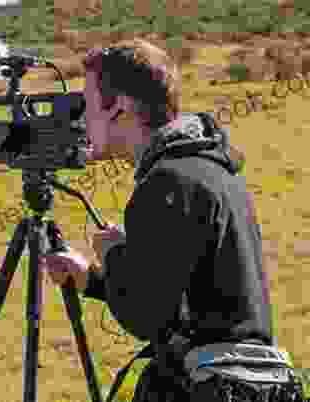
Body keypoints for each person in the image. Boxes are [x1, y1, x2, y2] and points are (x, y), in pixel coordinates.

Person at [40, 39, 305, 402]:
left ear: (119, 106)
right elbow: (184, 300)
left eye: (85, 104)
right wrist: (93, 280)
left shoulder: (168, 181)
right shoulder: (209, 168)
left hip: (208, 388)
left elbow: (144, 317)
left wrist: (116, 252)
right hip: (245, 384)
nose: (80, 118)